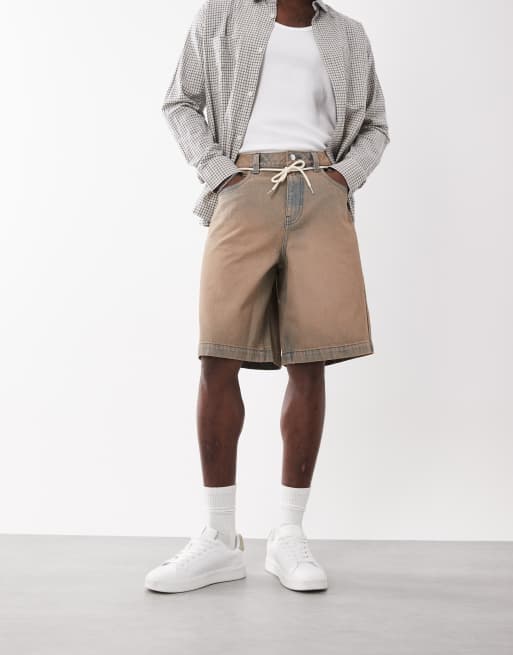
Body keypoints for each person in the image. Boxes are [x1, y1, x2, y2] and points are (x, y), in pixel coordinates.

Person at [145, 0, 389, 593]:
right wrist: (217, 171)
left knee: (310, 360)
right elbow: (180, 101)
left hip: (321, 193)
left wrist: (344, 177)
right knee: (217, 353)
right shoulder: (222, 15)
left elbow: (376, 124)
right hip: (241, 189)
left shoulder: (348, 34)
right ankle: (219, 537)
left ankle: (288, 535)